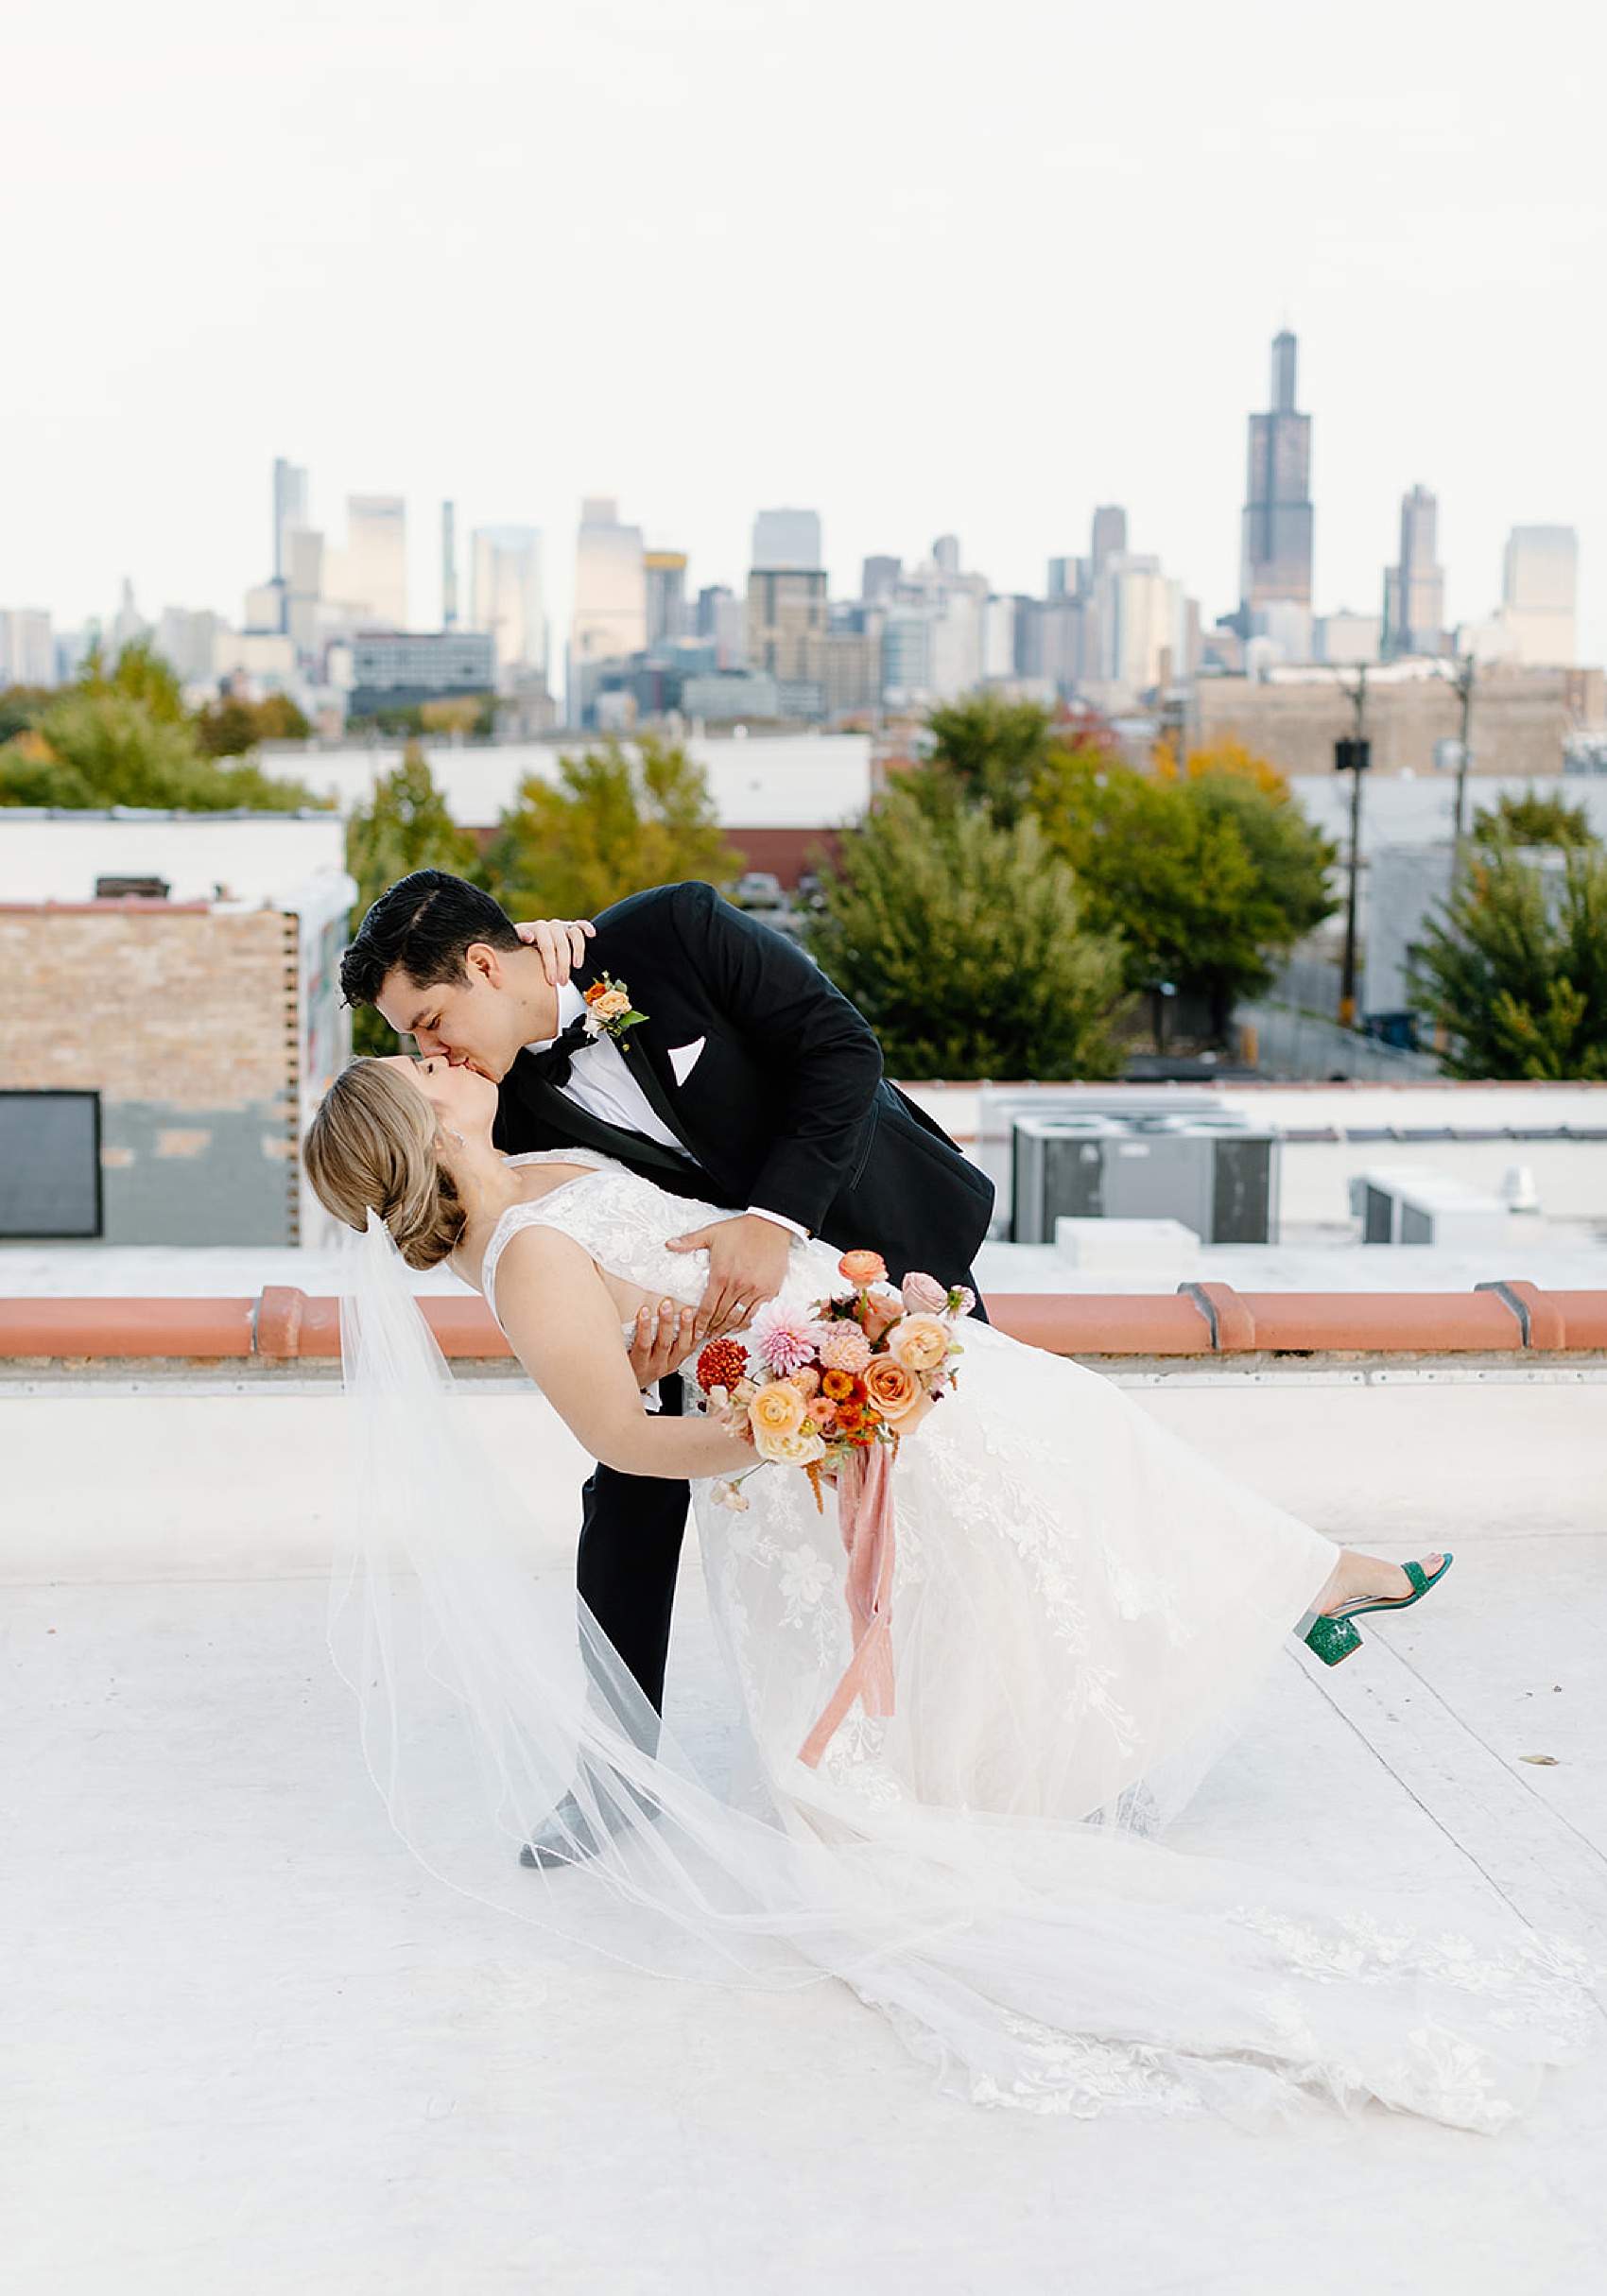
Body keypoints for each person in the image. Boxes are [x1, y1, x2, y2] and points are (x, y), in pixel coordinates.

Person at [299, 1054, 1592, 2130]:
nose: (440, 1055)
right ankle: (1308, 1582)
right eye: (415, 1062)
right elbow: (625, 1441)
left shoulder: (539, 1175)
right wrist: (796, 1430)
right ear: (412, 1126)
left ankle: (1301, 1581)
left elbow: (675, 1274)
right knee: (1059, 1499)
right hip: (821, 1441)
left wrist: (783, 1322)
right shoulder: (518, 1255)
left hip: (862, 1361)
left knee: (1066, 1489)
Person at [336, 871, 992, 1794]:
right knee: (627, 1492)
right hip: (706, 1329)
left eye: (431, 1019)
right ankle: (612, 1777)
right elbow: (563, 1246)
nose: (430, 1046)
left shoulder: (664, 934)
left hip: (867, 1243)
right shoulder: (498, 1105)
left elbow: (839, 1051)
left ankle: (1011, 1726)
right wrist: (633, 1353)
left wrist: (776, 1220)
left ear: (486, 960)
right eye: (412, 1040)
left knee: (971, 1485)